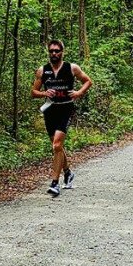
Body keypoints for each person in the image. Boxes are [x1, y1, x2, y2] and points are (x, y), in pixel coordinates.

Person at [31, 39, 93, 197]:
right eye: (51, 51)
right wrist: (44, 93)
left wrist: (79, 93)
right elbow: (33, 92)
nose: (54, 54)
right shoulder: (42, 70)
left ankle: (54, 183)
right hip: (50, 109)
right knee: (56, 146)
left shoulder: (71, 68)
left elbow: (88, 81)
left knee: (57, 144)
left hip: (66, 108)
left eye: (57, 51)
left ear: (62, 52)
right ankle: (68, 173)